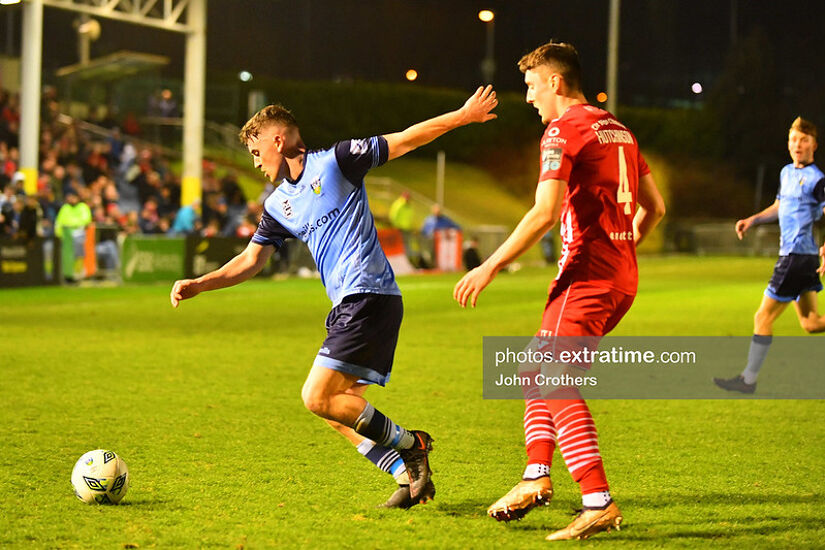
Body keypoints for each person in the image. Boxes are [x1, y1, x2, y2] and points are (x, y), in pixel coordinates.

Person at [170, 86, 498, 508]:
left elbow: (406, 138)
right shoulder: (278, 205)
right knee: (333, 407)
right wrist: (201, 283)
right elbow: (251, 261)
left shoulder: (337, 161)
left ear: (278, 140)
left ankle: (412, 444)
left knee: (316, 396)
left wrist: (462, 116)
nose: (255, 162)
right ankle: (405, 475)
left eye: (256, 151)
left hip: (369, 295)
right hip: (352, 304)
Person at [453, 41, 665, 541]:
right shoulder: (620, 130)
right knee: (534, 368)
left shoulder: (562, 130)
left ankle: (597, 500)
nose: (528, 98)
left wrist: (490, 265)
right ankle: (535, 477)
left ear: (554, 82)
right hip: (618, 274)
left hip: (586, 274)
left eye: (530, 86)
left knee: (551, 375)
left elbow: (545, 213)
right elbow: (653, 207)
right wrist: (622, 247)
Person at [714, 117, 825, 394]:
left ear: (814, 145)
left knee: (762, 318)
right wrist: (753, 219)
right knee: (810, 323)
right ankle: (748, 379)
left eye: (803, 140)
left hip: (796, 257)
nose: (797, 145)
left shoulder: (817, 180)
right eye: (793, 140)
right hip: (801, 258)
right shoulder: (786, 172)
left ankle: (748, 380)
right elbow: (779, 206)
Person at [389, 191, 414, 260]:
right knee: (400, 245)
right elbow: (393, 216)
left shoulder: (409, 206)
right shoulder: (399, 204)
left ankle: (407, 259)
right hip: (399, 229)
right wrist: (396, 226)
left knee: (407, 245)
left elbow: (410, 217)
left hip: (407, 228)